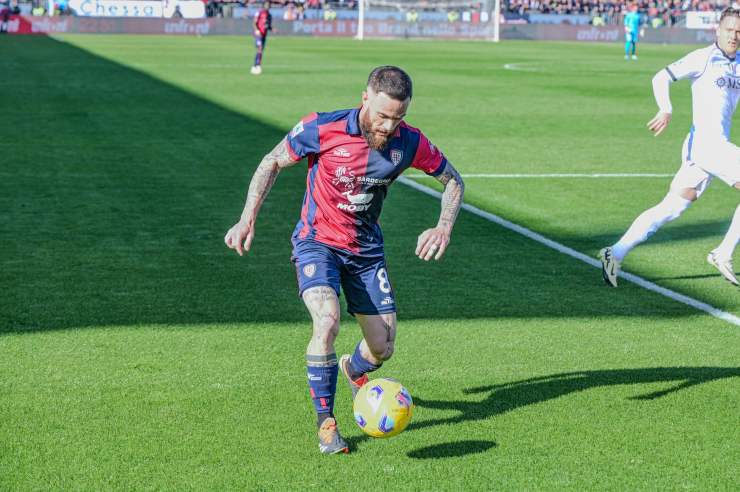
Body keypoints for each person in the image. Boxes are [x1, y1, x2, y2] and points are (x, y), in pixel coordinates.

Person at [224, 66, 465, 454]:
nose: (388, 126)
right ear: (365, 97)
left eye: (398, 118)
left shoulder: (410, 141)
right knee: (327, 320)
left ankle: (353, 370)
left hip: (366, 252)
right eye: (383, 116)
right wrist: (247, 217)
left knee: (382, 347)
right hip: (317, 243)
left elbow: (453, 180)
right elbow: (272, 161)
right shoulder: (323, 127)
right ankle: (326, 423)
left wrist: (443, 227)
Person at [600, 7, 740, 288]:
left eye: (739, 32)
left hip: (705, 148)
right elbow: (661, 77)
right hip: (707, 144)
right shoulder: (702, 57)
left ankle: (614, 252)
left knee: (672, 207)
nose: (734, 36)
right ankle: (723, 253)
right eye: (729, 30)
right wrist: (666, 109)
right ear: (717, 30)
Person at [250, 1, 272, 75]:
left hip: (264, 35)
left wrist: (272, 29)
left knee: (260, 50)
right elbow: (254, 23)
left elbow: (268, 26)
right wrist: (256, 30)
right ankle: (257, 65)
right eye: (266, 5)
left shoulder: (269, 15)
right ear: (264, 6)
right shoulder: (259, 13)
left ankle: (255, 66)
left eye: (269, 5)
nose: (267, 6)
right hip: (259, 34)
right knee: (260, 48)